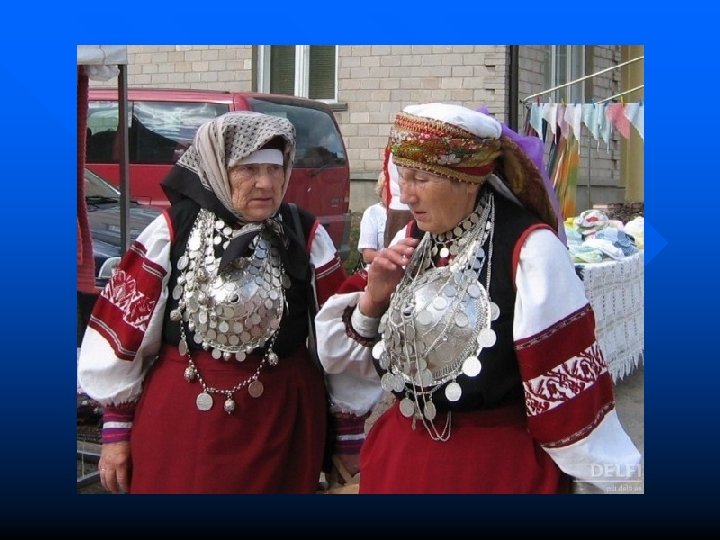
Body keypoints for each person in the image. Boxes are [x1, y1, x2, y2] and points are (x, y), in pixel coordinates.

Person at [315, 103, 641, 494]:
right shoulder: (412, 241)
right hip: (400, 462)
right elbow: (345, 362)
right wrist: (373, 299)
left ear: (468, 179)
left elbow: (569, 403)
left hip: (492, 470)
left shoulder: (531, 251)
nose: (407, 194)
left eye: (420, 178)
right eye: (403, 176)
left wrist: (600, 478)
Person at [78, 111, 346, 494]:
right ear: (218, 169)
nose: (266, 183)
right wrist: (117, 430)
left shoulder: (304, 234)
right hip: (182, 426)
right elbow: (124, 330)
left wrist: (349, 432)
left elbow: (339, 335)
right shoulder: (171, 230)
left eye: (275, 169)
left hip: (279, 424)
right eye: (249, 169)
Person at [357, 173, 389, 264]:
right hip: (382, 267)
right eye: (387, 187)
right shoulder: (372, 213)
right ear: (381, 189)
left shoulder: (411, 211)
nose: (391, 192)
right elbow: (368, 256)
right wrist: (392, 258)